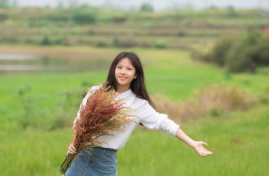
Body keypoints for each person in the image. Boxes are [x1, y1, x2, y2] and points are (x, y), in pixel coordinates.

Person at [65, 51, 213, 176]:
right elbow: (80, 119)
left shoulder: (138, 104)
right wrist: (75, 141)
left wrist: (193, 143)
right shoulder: (96, 92)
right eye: (120, 67)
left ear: (135, 74)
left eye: (129, 69)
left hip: (105, 163)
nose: (123, 72)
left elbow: (164, 123)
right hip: (82, 156)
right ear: (113, 69)